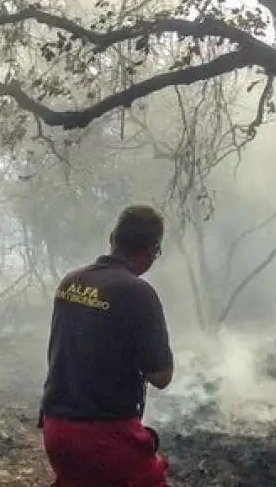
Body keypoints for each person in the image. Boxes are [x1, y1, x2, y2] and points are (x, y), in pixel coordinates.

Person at [39, 205, 174, 487]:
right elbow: (161, 377)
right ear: (152, 251)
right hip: (105, 436)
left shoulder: (71, 282)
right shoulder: (138, 293)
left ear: (113, 238)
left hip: (56, 431)